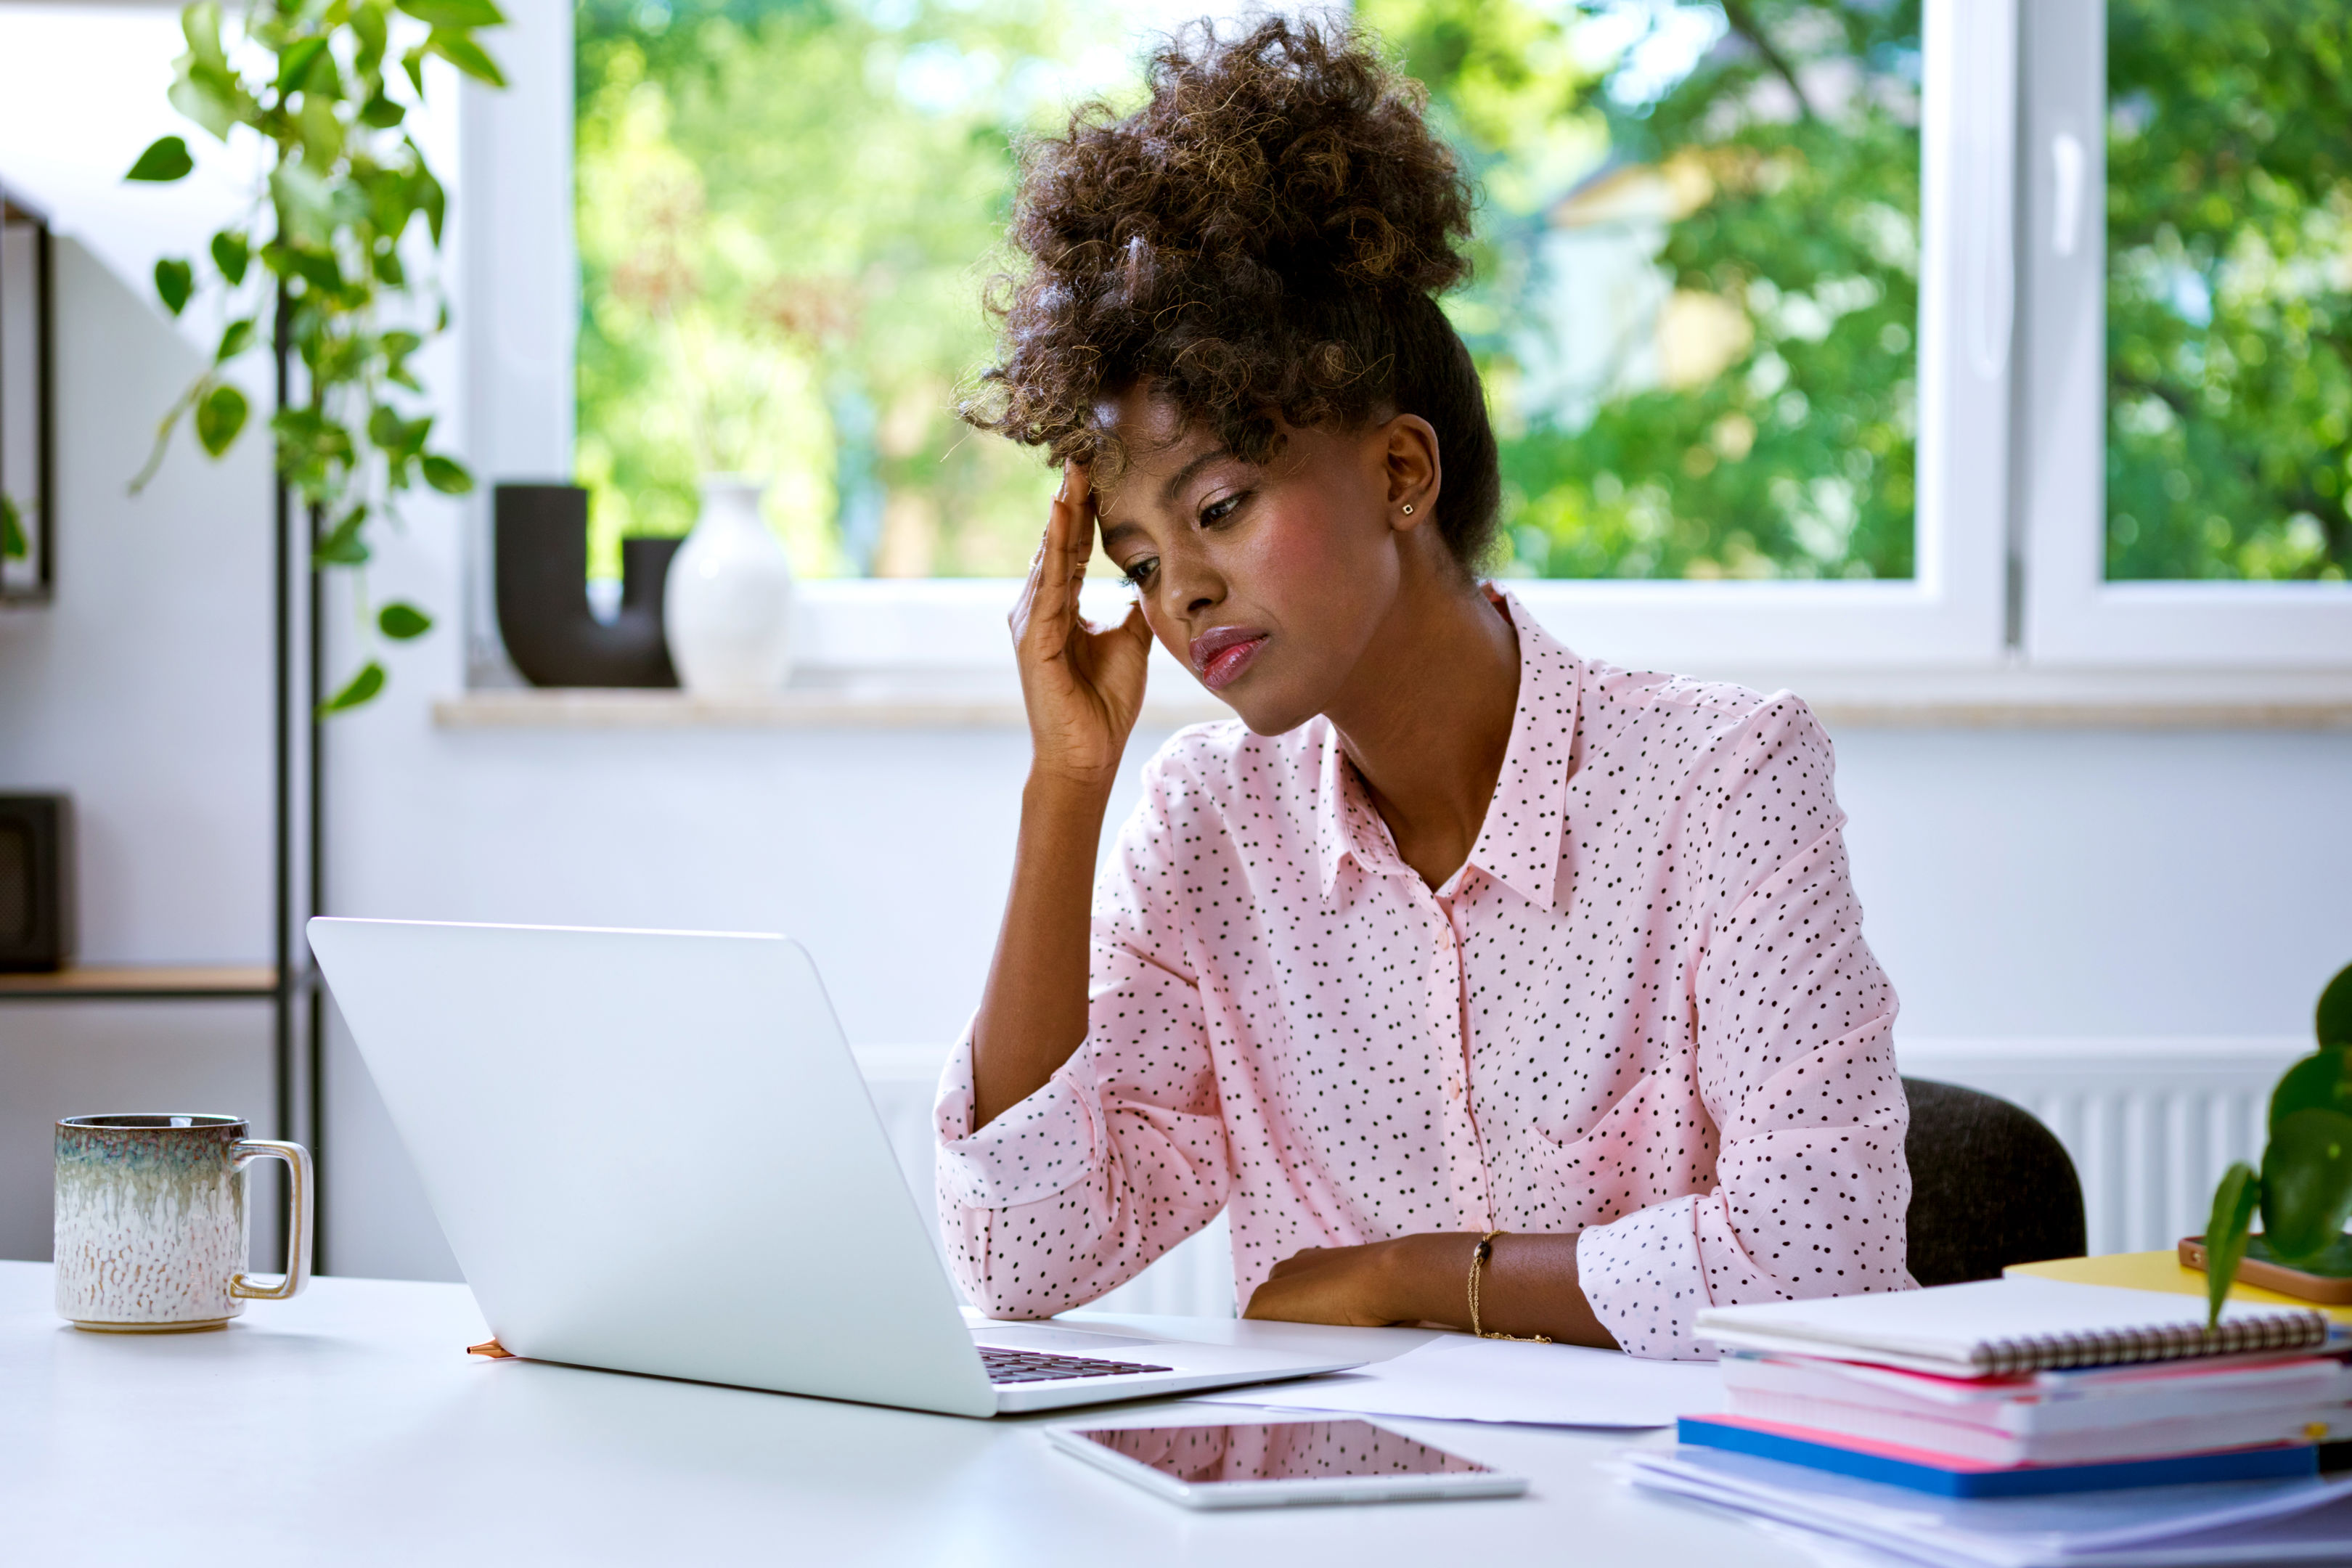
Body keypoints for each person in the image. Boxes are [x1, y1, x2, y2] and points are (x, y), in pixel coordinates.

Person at [934, 16, 1913, 1359]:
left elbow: (1824, 1254)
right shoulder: (1210, 828)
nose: (1182, 596)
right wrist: (1067, 788)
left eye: (1220, 505)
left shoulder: (1724, 782)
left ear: (1402, 474)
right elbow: (1018, 1259)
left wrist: (1412, 1275)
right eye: (1141, 560)